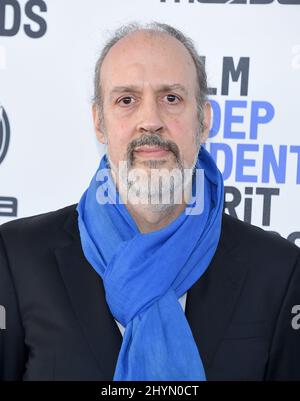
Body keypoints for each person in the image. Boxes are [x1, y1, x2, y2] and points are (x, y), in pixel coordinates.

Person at [0, 22, 299, 381]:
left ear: (204, 120)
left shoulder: (278, 270)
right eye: (126, 100)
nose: (150, 120)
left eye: (171, 98)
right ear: (99, 122)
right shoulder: (18, 258)